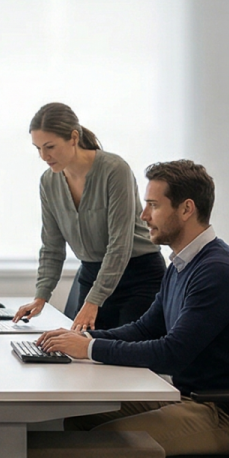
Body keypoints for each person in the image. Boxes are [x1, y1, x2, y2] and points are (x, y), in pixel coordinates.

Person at [36, 160, 229, 456]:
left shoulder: (217, 271)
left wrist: (88, 350)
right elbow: (145, 328)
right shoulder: (181, 264)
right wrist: (82, 340)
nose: (144, 215)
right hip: (192, 400)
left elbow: (172, 354)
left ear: (186, 209)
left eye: (153, 205)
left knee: (108, 441)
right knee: (81, 411)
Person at [14, 102, 164, 332]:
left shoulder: (115, 170)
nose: (44, 156)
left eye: (50, 146)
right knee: (79, 356)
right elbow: (52, 247)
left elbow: (119, 245)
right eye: (38, 148)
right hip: (93, 273)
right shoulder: (49, 181)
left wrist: (93, 302)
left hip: (138, 276)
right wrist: (41, 297)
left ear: (73, 138)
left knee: (125, 359)